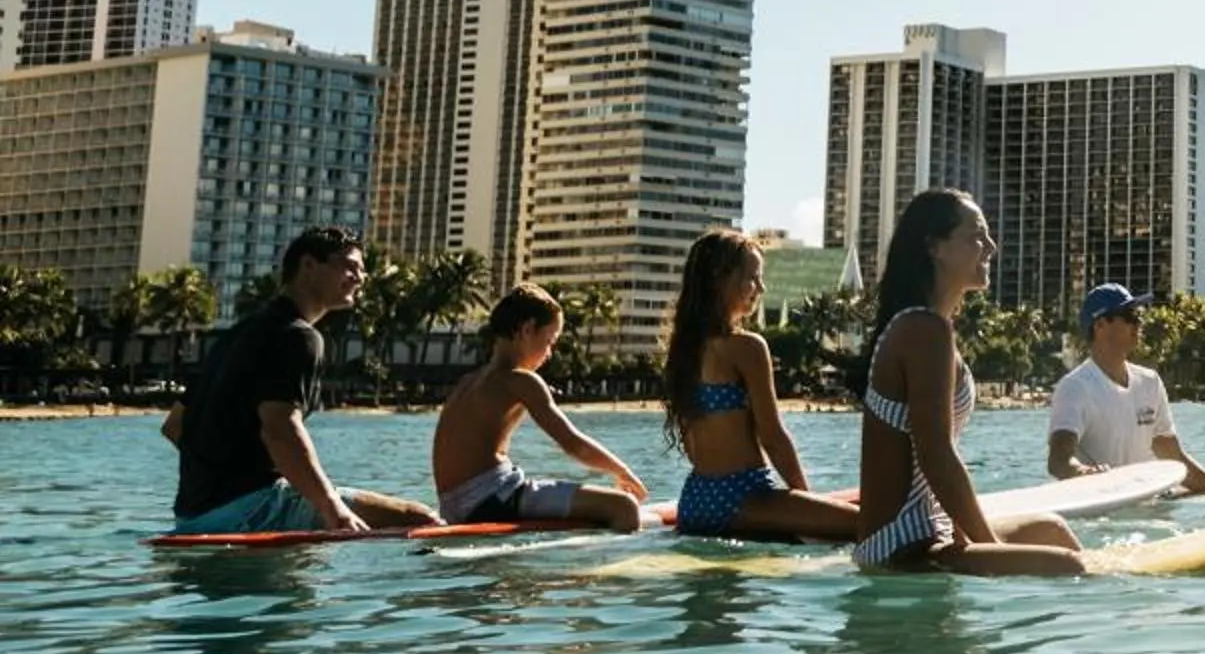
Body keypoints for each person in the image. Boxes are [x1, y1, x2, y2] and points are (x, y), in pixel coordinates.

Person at [854, 189, 1085, 576]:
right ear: (935, 247)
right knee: (1066, 567)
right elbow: (936, 454)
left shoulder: (931, 327)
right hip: (900, 549)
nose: (991, 247)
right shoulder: (921, 329)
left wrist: (967, 531)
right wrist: (987, 547)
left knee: (1052, 529)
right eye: (977, 236)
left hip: (931, 533)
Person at [164, 227, 439, 535]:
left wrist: (218, 474)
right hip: (254, 511)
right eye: (349, 266)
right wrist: (332, 508)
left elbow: (175, 426)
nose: (360, 277)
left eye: (362, 270)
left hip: (191, 518)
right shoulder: (299, 336)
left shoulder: (235, 336)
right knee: (422, 521)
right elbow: (281, 429)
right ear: (308, 266)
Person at [661, 228, 859, 541]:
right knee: (874, 527)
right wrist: (807, 501)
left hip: (695, 500)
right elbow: (773, 437)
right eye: (752, 278)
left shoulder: (683, 351)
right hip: (741, 497)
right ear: (720, 278)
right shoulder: (746, 347)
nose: (761, 288)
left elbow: (690, 442)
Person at [432, 286, 648, 532]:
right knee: (624, 507)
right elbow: (573, 443)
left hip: (453, 507)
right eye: (549, 341)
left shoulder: (468, 382)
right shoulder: (521, 380)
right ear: (527, 330)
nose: (549, 353)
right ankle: (610, 567)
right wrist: (623, 472)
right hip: (493, 500)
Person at [1047, 282, 1205, 494]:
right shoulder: (1074, 388)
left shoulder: (1150, 382)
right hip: (1105, 513)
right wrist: (1085, 474)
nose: (1138, 322)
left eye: (1139, 315)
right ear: (1099, 325)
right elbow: (1059, 462)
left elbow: (1174, 458)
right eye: (1129, 316)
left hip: (1154, 505)